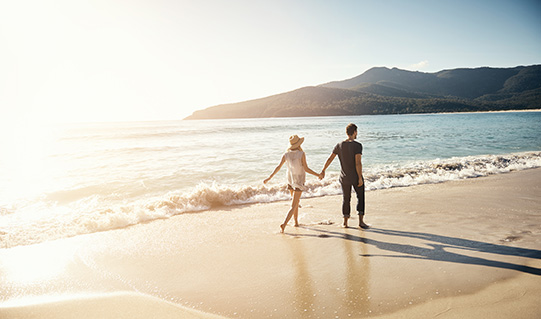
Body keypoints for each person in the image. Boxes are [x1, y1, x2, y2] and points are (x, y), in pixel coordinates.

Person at [264, 135, 322, 233]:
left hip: (290, 180)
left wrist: (269, 177)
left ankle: (296, 222)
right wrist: (318, 175)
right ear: (299, 144)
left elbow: (278, 167)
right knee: (294, 205)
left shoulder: (286, 154)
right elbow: (306, 169)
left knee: (295, 203)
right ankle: (284, 224)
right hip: (298, 181)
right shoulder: (301, 154)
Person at [321, 123, 369, 229]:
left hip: (344, 177)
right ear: (355, 132)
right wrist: (360, 177)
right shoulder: (357, 145)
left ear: (347, 133)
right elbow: (358, 163)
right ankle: (361, 222)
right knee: (360, 197)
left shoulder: (339, 145)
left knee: (346, 199)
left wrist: (323, 170)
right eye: (357, 132)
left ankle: (345, 223)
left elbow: (330, 159)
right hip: (355, 177)